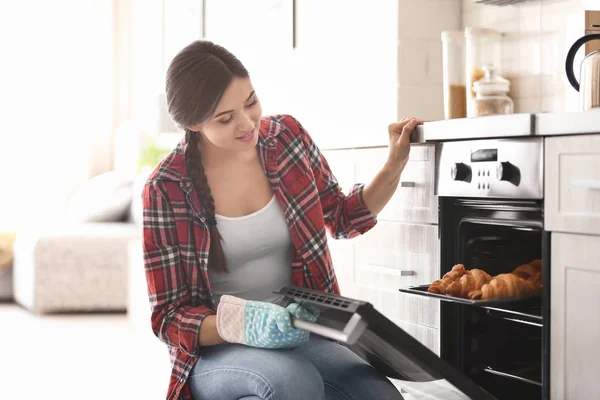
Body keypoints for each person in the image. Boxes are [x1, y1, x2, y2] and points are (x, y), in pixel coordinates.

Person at [143, 40, 422, 400]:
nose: (247, 124)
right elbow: (168, 317)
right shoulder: (165, 188)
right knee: (292, 383)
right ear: (194, 123)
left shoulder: (286, 138)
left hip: (301, 333)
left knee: (379, 395)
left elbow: (343, 216)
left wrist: (394, 163)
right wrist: (243, 324)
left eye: (250, 102)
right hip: (217, 352)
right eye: (226, 118)